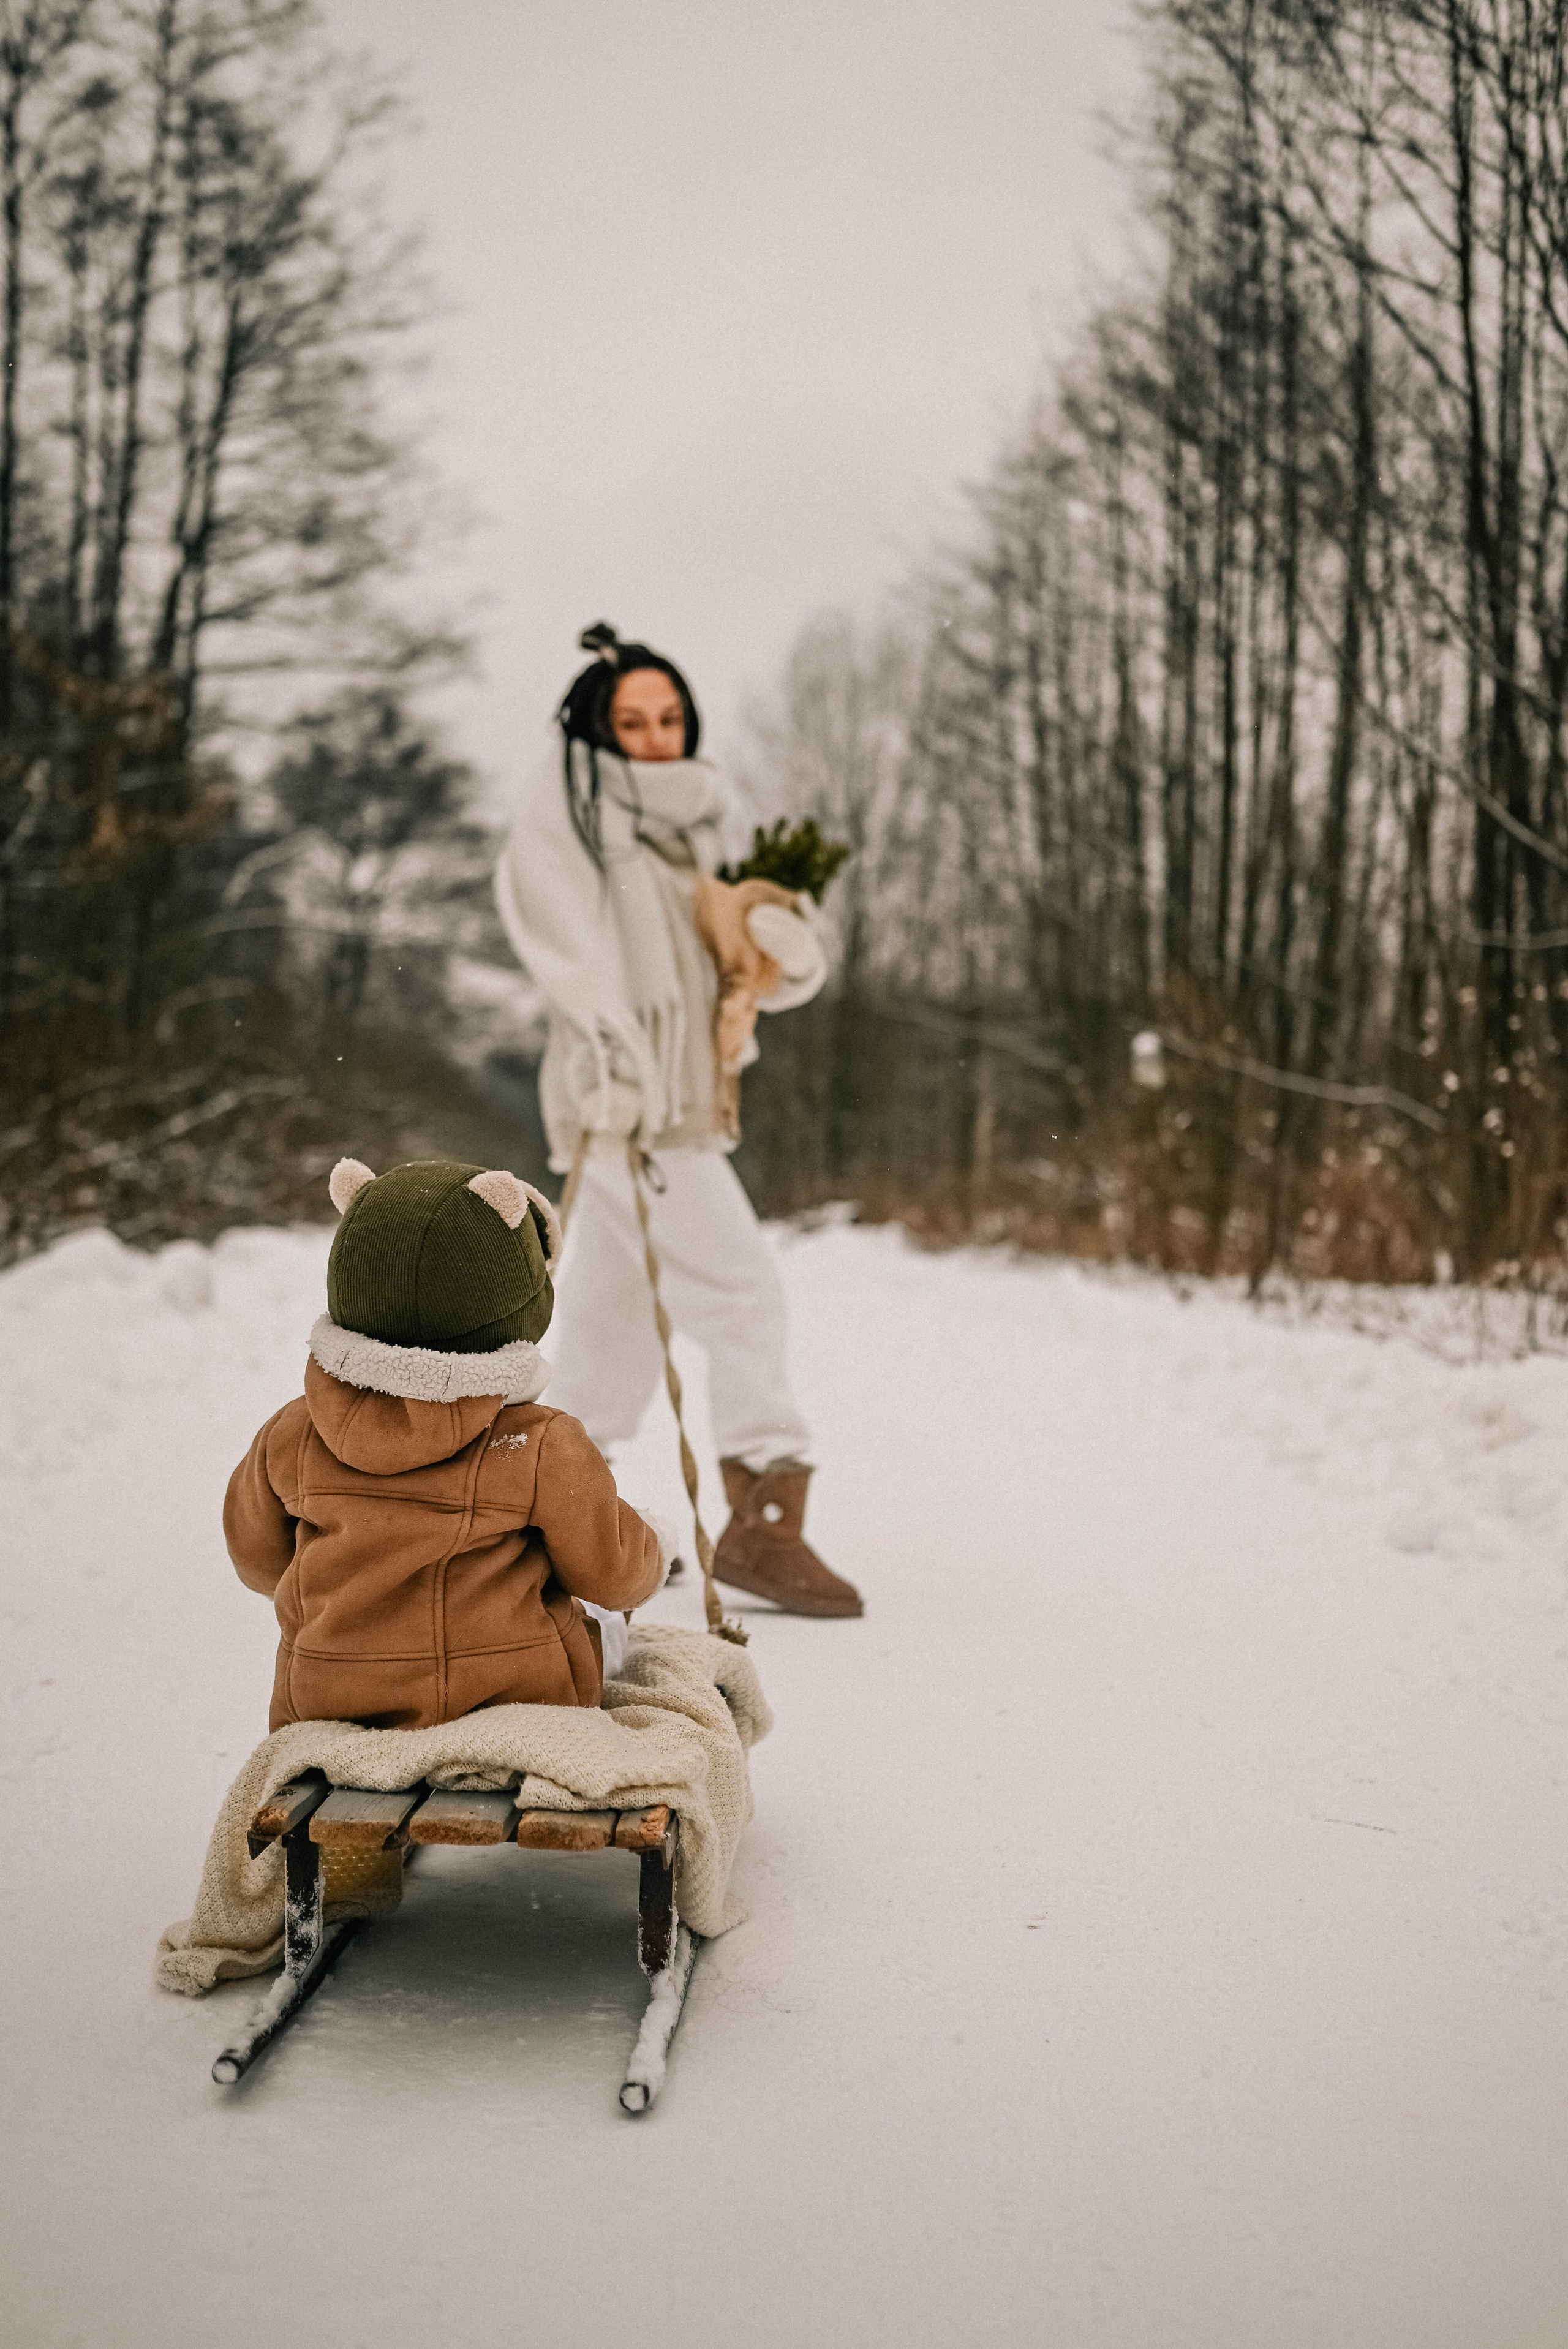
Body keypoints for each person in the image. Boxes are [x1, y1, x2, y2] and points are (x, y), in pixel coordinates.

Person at [493, 622, 863, 1619]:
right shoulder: (569, 812)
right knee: (741, 1295)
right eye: (631, 720)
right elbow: (565, 947)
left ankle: (538, 1530)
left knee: (611, 1336)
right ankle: (763, 1521)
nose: (655, 738)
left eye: (670, 718)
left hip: (687, 1099)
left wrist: (775, 946)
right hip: (631, 1113)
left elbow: (727, 965)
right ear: (596, 728)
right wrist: (612, 1057)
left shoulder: (686, 835)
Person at [224, 1153, 666, 1730]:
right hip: (519, 1702)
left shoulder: (291, 1435)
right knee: (605, 1628)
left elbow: (257, 1561)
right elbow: (614, 1576)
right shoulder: (539, 1446)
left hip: (331, 1702)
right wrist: (655, 1543)